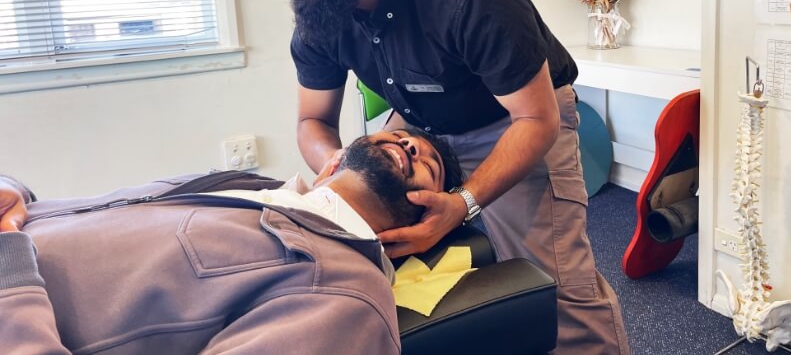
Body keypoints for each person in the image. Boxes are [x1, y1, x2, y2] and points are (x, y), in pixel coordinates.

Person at [216, 0, 629, 354]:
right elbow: (312, 123)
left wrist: (463, 202)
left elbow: (537, 120)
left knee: (555, 286)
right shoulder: (320, 11)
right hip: (419, 121)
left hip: (514, 118)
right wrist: (343, 168)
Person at [0, 129, 462, 354]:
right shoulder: (248, 186)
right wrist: (19, 195)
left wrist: (11, 271)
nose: (410, 146)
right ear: (333, 162)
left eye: (429, 167)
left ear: (426, 224)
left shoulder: (345, 294)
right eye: (398, 135)